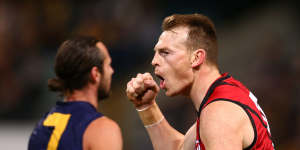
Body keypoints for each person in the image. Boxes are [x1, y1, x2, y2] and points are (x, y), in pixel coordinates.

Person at [126, 14, 274, 150]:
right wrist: (147, 107)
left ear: (196, 58)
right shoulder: (219, 103)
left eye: (165, 53)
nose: (154, 62)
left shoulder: (218, 114)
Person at [28, 36, 123, 150]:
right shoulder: (102, 129)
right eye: (108, 65)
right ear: (95, 74)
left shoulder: (40, 128)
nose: (112, 71)